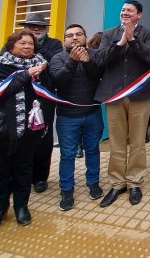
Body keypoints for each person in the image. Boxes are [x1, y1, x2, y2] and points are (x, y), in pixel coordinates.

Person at [0, 30, 50, 235]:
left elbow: (47, 90)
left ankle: (21, 206)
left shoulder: (41, 65)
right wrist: (26, 74)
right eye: (22, 43)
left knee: (24, 168)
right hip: (2, 128)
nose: (27, 46)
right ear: (11, 45)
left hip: (30, 128)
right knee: (1, 170)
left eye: (31, 43)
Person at [95, 0, 150, 207]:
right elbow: (100, 60)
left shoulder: (148, 34)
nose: (125, 13)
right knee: (117, 141)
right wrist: (121, 42)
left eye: (130, 10)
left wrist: (133, 40)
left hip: (139, 96)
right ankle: (117, 183)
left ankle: (134, 182)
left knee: (137, 141)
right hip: (114, 96)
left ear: (139, 14)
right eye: (122, 10)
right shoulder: (109, 33)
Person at [49, 24, 104, 211]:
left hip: (92, 114)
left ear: (85, 38)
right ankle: (66, 189)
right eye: (70, 35)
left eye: (79, 34)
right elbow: (57, 80)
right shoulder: (57, 58)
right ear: (64, 39)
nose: (74, 38)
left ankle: (93, 183)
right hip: (67, 117)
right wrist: (72, 62)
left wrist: (87, 62)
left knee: (93, 150)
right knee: (68, 155)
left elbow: (99, 77)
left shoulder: (95, 54)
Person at [21, 13, 63, 193]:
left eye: (40, 26)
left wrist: (34, 46)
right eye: (32, 26)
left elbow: (54, 62)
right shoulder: (17, 42)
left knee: (43, 136)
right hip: (21, 96)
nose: (36, 29)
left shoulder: (54, 44)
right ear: (26, 28)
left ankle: (40, 177)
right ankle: (24, 174)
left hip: (45, 96)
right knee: (22, 135)